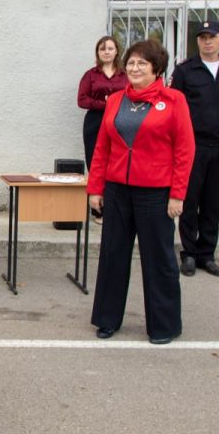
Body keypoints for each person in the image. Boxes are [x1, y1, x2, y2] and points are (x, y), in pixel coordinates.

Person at [87, 40, 195, 345]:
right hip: (117, 190)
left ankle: (164, 325)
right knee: (113, 255)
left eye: (142, 64)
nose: (134, 69)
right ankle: (107, 319)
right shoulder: (115, 100)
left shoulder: (174, 101)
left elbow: (185, 150)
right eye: (131, 63)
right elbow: (102, 148)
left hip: (156, 193)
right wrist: (96, 188)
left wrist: (178, 194)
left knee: (159, 260)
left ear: (156, 69)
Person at [170, 19, 219, 278]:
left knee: (213, 202)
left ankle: (207, 254)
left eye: (212, 37)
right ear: (197, 41)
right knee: (190, 201)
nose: (207, 41)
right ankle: (189, 254)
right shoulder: (185, 71)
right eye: (203, 37)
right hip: (193, 147)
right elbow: (174, 110)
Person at [77, 36, 127, 215]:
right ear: (97, 52)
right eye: (102, 49)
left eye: (110, 48)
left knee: (116, 162)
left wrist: (113, 103)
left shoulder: (125, 75)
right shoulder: (90, 75)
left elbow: (132, 95)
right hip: (95, 122)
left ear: (117, 51)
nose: (106, 52)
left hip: (120, 120)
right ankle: (98, 209)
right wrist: (106, 104)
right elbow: (82, 100)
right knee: (95, 161)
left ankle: (114, 207)